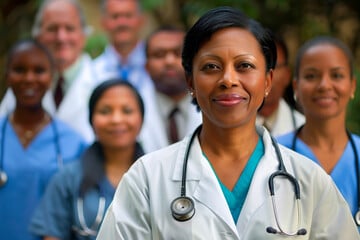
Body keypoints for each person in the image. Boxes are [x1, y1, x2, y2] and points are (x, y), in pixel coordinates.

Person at [96, 6, 359, 239]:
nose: (228, 79)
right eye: (211, 67)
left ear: (267, 82)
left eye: (244, 65)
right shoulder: (147, 179)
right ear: (190, 82)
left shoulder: (308, 179)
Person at [29, 79, 145, 239]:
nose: (116, 119)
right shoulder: (68, 178)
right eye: (105, 111)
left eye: (127, 111)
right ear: (92, 120)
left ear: (141, 118)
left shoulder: (158, 174)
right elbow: (52, 234)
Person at [0, 39, 87, 240]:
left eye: (39, 71)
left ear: (52, 77)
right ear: (7, 77)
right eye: (19, 70)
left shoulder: (73, 143)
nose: (29, 78)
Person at [277, 36, 360, 228]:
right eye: (311, 76)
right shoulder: (272, 153)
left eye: (337, 75)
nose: (324, 85)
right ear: (296, 86)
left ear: (352, 86)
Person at [0, 0, 97, 143]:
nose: (61, 37)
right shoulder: (21, 86)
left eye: (69, 28)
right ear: (38, 36)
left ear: (84, 36)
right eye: (52, 29)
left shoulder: (104, 80)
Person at [93, 0, 159, 153]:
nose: (122, 22)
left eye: (128, 16)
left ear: (141, 20)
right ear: (104, 23)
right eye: (115, 16)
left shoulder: (159, 68)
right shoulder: (91, 72)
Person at [143, 25, 202, 148]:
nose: (169, 61)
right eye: (159, 55)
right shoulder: (133, 109)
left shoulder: (215, 107)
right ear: (146, 66)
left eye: (178, 53)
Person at [256, 33, 305, 136]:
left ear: (287, 75)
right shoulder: (227, 124)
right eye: (258, 65)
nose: (266, 74)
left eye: (273, 65)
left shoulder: (303, 128)